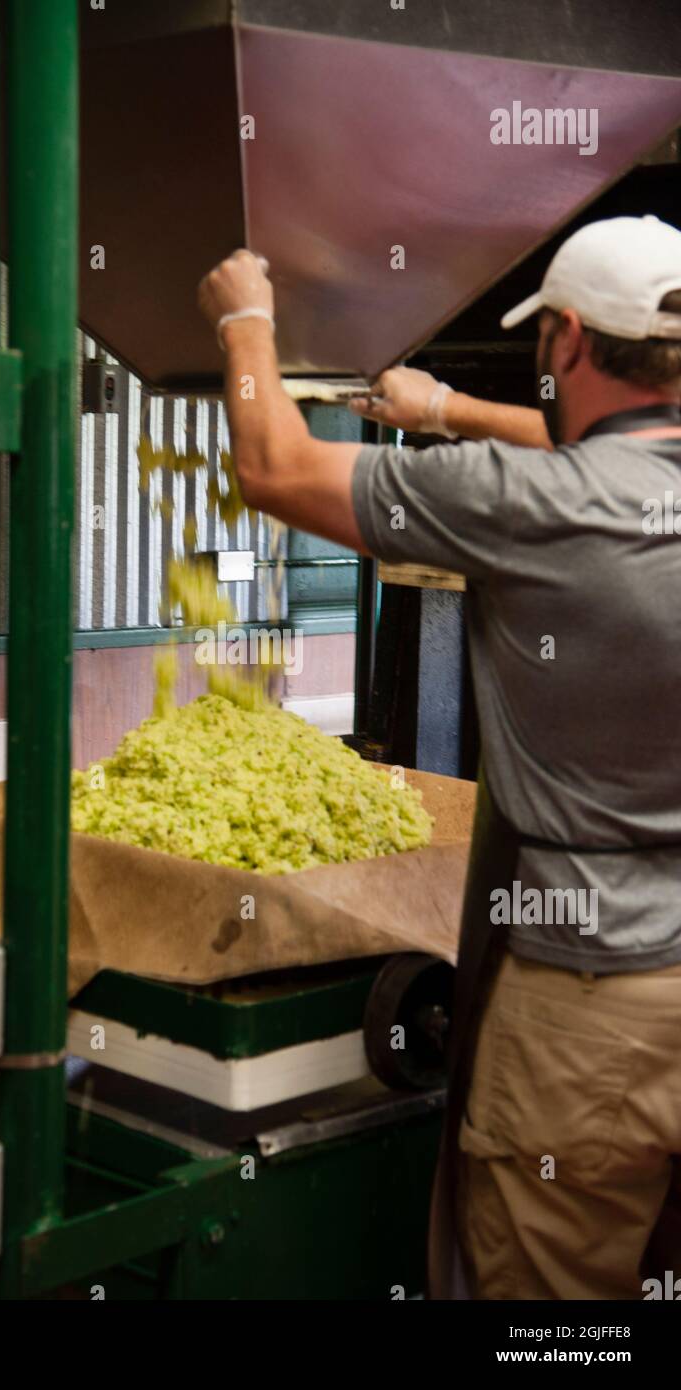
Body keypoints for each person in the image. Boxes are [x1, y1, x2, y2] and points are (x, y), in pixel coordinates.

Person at [198, 215, 681, 1300]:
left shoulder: (530, 505)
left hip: (589, 1023)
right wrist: (440, 409)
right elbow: (613, 456)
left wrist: (245, 319)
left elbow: (274, 464)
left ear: (562, 340)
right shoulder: (581, 489)